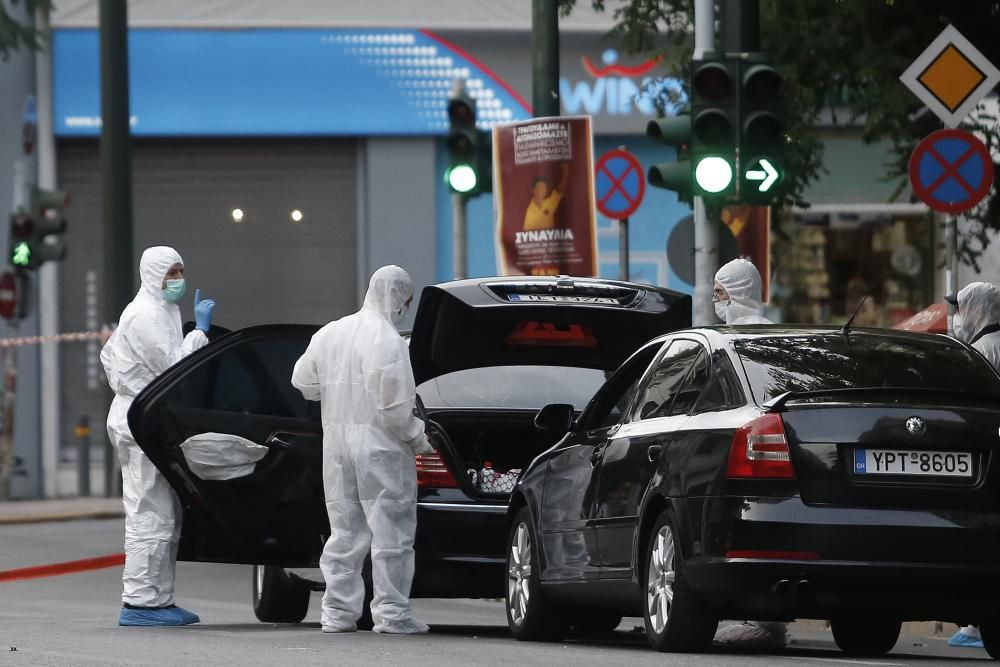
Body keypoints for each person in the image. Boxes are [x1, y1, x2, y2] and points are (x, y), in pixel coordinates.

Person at [291, 265, 433, 634]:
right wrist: (418, 438)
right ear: (398, 296)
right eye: (406, 300)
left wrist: (336, 390)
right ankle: (392, 614)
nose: (405, 307)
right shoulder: (387, 339)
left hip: (337, 446)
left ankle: (337, 613)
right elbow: (393, 408)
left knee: (344, 530)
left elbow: (302, 379)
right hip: (381, 448)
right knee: (392, 533)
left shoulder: (331, 332)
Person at [100, 246, 216, 626]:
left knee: (163, 515)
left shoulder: (159, 310)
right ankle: (140, 603)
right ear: (153, 274)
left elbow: (110, 354)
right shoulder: (147, 315)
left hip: (146, 416)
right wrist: (199, 333)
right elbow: (176, 369)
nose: (177, 279)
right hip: (139, 421)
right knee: (149, 513)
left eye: (181, 270)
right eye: (171, 272)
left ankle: (157, 600)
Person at [945, 281, 1000, 649]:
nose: (955, 318)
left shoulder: (980, 352)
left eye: (960, 309)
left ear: (977, 310)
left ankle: (978, 623)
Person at [713, 258, 773, 325]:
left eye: (719, 292)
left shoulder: (762, 331)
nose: (714, 299)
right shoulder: (730, 330)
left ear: (741, 293)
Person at [523, 162, 570, 231]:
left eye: (544, 188)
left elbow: (559, 191)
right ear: (534, 190)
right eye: (539, 187)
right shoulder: (529, 210)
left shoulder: (550, 202)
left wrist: (566, 172)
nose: (542, 190)